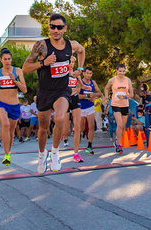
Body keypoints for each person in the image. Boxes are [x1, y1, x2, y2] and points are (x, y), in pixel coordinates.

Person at [22, 13, 85, 174]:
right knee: (43, 129)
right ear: (49, 27)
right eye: (52, 26)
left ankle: (55, 153)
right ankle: (42, 154)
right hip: (44, 92)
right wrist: (43, 63)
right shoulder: (41, 45)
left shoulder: (71, 45)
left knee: (60, 118)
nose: (55, 30)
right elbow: (25, 68)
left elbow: (82, 51)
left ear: (65, 29)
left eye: (59, 27)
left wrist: (79, 69)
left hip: (62, 90)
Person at [0, 47, 27, 165]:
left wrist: (15, 80)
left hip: (14, 105)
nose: (7, 61)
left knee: (11, 131)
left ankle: (8, 153)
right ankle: (6, 155)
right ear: (1, 60)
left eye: (9, 59)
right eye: (5, 59)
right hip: (1, 104)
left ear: (11, 59)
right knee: (5, 124)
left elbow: (25, 89)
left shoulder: (17, 71)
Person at [104, 63, 135, 154]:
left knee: (123, 127)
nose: (121, 73)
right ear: (116, 71)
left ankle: (118, 141)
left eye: (123, 71)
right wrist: (106, 98)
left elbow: (131, 94)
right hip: (115, 104)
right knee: (120, 124)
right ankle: (119, 145)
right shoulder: (112, 80)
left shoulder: (128, 80)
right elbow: (106, 88)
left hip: (125, 105)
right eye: (120, 71)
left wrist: (125, 97)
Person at [62, 56, 84, 162]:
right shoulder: (63, 73)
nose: (71, 63)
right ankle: (64, 137)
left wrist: (77, 90)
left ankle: (76, 153)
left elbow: (81, 87)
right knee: (66, 129)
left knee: (77, 126)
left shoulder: (76, 74)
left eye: (72, 62)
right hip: (65, 100)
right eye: (69, 62)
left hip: (75, 99)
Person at [78, 66, 102, 155]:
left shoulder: (93, 82)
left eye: (90, 73)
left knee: (91, 125)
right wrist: (87, 96)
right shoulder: (80, 82)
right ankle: (80, 134)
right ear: (83, 73)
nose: (88, 75)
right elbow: (77, 96)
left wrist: (94, 94)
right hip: (81, 107)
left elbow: (100, 93)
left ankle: (90, 145)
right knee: (82, 127)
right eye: (87, 73)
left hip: (90, 107)